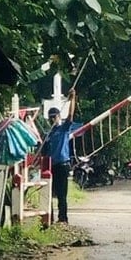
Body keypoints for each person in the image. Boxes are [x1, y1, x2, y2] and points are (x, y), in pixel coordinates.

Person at [40, 95, 82, 224]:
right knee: (48, 194)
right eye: (51, 117)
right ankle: (49, 218)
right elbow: (43, 152)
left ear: (59, 117)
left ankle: (63, 219)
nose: (53, 119)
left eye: (55, 116)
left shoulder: (64, 129)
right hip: (50, 167)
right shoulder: (48, 135)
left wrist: (73, 98)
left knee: (61, 195)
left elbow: (70, 115)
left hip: (62, 166)